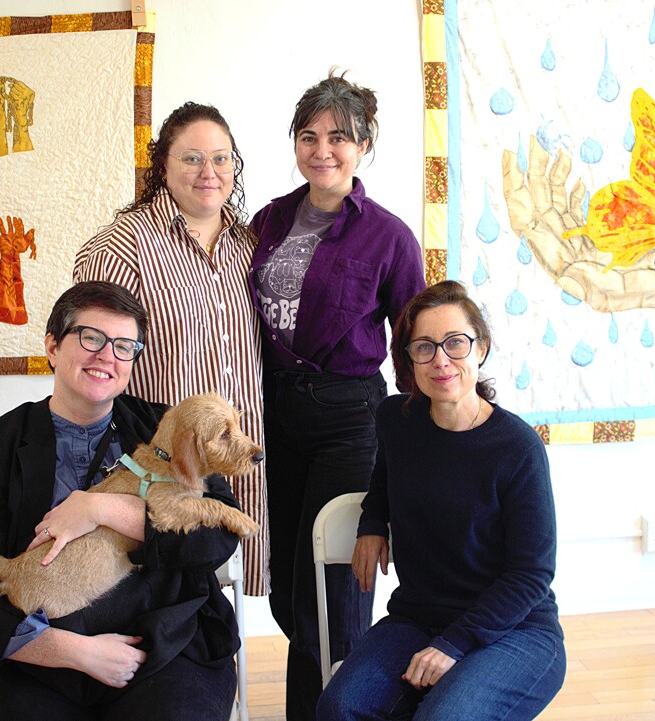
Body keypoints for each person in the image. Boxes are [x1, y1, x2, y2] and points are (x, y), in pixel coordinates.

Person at [0, 281, 240, 720]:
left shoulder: (172, 427)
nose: (107, 356)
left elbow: (218, 536)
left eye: (123, 346)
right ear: (53, 346)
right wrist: (74, 652)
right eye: (91, 338)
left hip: (162, 645)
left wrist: (105, 509)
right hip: (38, 657)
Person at [248, 69, 425, 720]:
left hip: (350, 419)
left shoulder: (389, 236)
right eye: (308, 136)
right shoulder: (267, 222)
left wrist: (417, 442)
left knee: (334, 591)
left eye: (339, 137)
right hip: (275, 415)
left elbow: (416, 346)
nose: (322, 150)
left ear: (363, 144)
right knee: (289, 594)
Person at [317, 280, 566, 721]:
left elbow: (531, 574)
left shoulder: (517, 448)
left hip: (515, 631)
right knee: (339, 707)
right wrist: (373, 522)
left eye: (456, 343)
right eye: (424, 347)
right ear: (409, 359)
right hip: (419, 616)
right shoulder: (397, 419)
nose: (441, 360)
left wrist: (453, 644)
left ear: (481, 348)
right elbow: (386, 473)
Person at [73, 101, 267, 595]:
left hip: (236, 450)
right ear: (162, 165)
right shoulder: (124, 245)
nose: (210, 172)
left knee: (227, 587)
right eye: (192, 158)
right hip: (166, 465)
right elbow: (95, 359)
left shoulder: (248, 245)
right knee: (173, 595)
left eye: (222, 159)